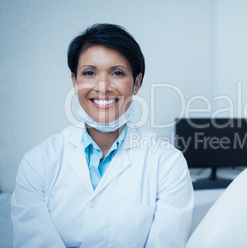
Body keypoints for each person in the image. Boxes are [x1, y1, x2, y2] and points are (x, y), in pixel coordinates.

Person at [10, 23, 194, 247]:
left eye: (117, 73)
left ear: (136, 83)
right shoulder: (38, 163)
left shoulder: (167, 163)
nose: (103, 86)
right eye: (89, 73)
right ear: (74, 82)